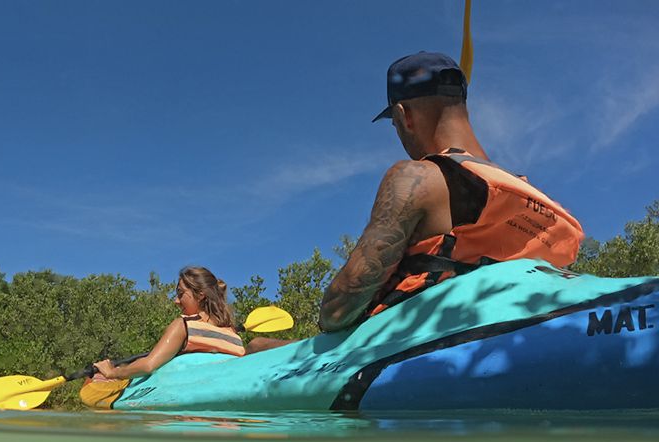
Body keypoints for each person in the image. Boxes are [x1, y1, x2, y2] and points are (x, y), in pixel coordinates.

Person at [248, 51, 584, 352]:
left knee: (258, 345)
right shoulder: (530, 196)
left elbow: (339, 308)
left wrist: (330, 313)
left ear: (403, 115)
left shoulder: (418, 178)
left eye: (395, 124)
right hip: (518, 334)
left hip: (410, 346)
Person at [91, 266, 245, 380]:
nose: (176, 301)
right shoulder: (231, 332)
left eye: (180, 293)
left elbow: (148, 365)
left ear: (200, 295)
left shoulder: (183, 325)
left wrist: (112, 372)